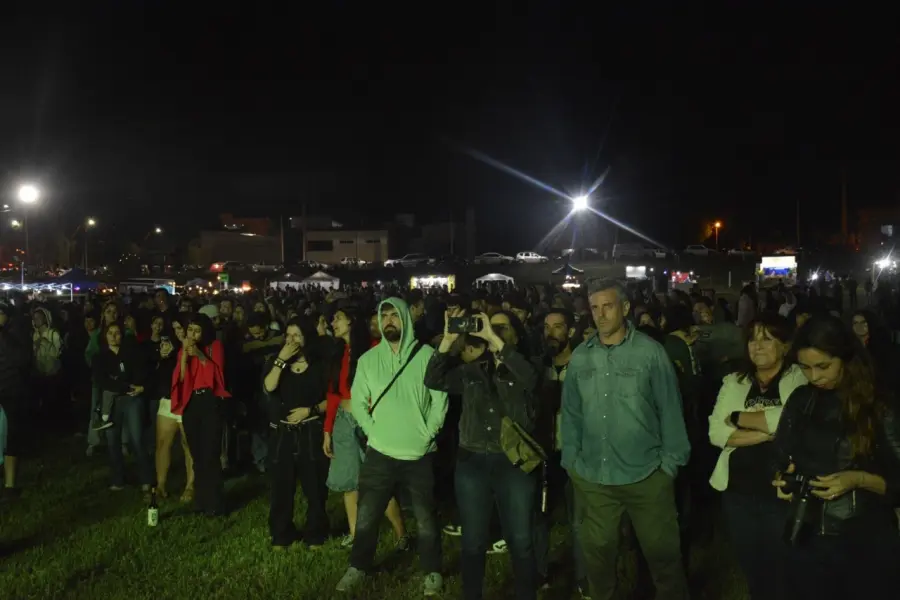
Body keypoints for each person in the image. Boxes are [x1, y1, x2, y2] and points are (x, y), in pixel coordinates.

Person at [561, 279, 690, 600]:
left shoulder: (650, 353)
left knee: (665, 563)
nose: (601, 315)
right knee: (599, 565)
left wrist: (669, 466)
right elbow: (571, 413)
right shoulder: (580, 357)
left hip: (647, 476)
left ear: (626, 308)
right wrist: (572, 462)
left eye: (608, 306)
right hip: (594, 478)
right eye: (594, 308)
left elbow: (670, 410)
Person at [772, 316, 900, 598]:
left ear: (846, 358)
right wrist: (783, 478)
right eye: (805, 367)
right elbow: (781, 453)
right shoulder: (801, 399)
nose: (814, 377)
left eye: (823, 366)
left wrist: (858, 479)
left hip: (863, 541)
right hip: (805, 535)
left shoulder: (878, 404)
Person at [335, 298, 448, 596]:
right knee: (368, 515)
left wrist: (428, 432)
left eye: (394, 315)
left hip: (419, 453)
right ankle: (358, 566)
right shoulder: (369, 360)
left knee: (425, 518)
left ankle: (432, 571)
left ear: (406, 320)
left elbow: (440, 400)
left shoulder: (427, 356)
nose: (388, 321)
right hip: (380, 453)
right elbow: (358, 402)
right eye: (383, 315)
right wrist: (375, 433)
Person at [426, 308, 541, 600]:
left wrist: (494, 339)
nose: (496, 333)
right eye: (492, 327)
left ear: (516, 333)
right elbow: (433, 380)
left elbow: (532, 381)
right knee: (473, 541)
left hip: (513, 462)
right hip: (472, 462)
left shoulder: (525, 364)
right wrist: (449, 340)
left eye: (503, 328)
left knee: (521, 539)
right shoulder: (472, 370)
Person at [708, 314, 807, 599]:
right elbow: (716, 433)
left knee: (785, 566)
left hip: (779, 494)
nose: (758, 346)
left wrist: (739, 418)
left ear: (785, 346)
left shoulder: (799, 379)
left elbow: (793, 420)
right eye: (753, 339)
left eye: (767, 339)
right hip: (738, 493)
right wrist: (768, 432)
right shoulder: (735, 381)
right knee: (752, 565)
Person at [324, 306, 407, 549]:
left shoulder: (373, 350)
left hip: (368, 420)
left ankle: (401, 534)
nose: (333, 322)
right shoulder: (338, 352)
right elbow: (333, 394)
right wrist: (327, 429)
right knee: (350, 481)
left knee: (378, 480)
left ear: (351, 321)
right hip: (343, 419)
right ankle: (356, 533)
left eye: (338, 317)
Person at [262, 316, 330, 549]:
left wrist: (309, 410)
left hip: (311, 431)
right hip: (284, 434)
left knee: (315, 487)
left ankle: (315, 533)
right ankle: (281, 534)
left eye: (296, 335)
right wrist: (281, 361)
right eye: (288, 335)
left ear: (306, 338)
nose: (291, 340)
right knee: (281, 487)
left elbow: (331, 400)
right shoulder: (277, 363)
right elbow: (269, 387)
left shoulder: (319, 365)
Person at [170, 313, 230, 517]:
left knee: (210, 454)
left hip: (209, 401)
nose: (193, 335)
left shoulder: (215, 347)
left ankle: (216, 503)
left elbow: (217, 375)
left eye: (197, 330)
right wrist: (186, 356)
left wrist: (200, 355)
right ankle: (201, 499)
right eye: (190, 331)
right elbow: (180, 378)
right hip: (191, 403)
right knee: (196, 454)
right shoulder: (183, 350)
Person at [92, 322, 152, 492]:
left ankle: (146, 478)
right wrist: (124, 385)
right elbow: (102, 380)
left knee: (137, 439)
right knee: (113, 442)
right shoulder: (100, 357)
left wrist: (124, 383)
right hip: (112, 402)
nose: (113, 336)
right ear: (105, 336)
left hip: (132, 399)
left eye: (117, 332)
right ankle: (118, 479)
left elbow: (139, 373)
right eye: (110, 333)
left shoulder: (131, 354)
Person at [150, 316, 194, 502]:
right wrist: (161, 357)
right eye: (175, 328)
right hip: (169, 400)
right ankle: (160, 485)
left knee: (188, 445)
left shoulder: (195, 347)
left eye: (182, 327)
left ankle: (190, 485)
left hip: (188, 401)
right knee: (162, 443)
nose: (179, 332)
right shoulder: (168, 348)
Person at [0, 301, 30, 496]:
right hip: (11, 389)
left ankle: (10, 485)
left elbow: (21, 359)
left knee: (10, 438)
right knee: (10, 438)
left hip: (10, 390)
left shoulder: (11, 335)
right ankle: (9, 485)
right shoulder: (13, 335)